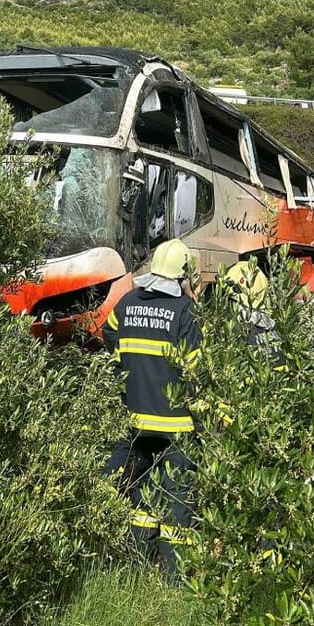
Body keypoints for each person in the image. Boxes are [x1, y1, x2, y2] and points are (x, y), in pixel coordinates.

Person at [102, 238, 202, 577]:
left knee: (142, 498)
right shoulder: (186, 313)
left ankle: (138, 566)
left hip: (136, 423)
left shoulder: (128, 303)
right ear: (184, 276)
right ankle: (174, 580)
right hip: (177, 428)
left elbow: (109, 335)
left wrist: (126, 368)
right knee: (178, 503)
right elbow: (197, 369)